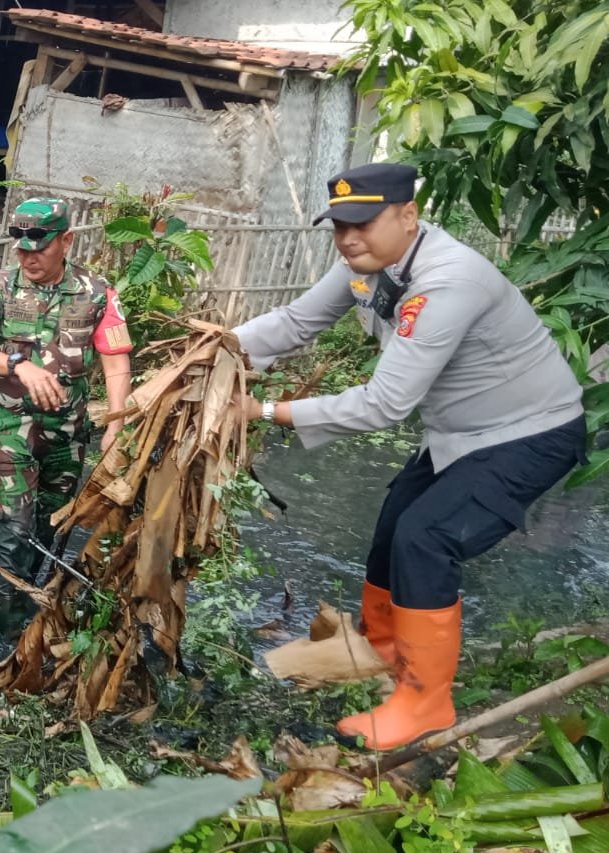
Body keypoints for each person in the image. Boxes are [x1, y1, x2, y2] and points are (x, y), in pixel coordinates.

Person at [234, 163, 586, 750]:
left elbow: (385, 404)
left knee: (426, 538)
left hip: (531, 433)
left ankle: (426, 702)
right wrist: (212, 348)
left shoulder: (447, 281)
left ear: (407, 216)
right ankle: (385, 650)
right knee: (396, 517)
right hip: (462, 431)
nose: (348, 239)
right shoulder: (368, 268)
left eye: (363, 223)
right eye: (339, 226)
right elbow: (296, 322)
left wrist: (267, 412)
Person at [0, 198, 134, 638]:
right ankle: (11, 632)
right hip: (6, 424)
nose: (29, 256)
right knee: (15, 525)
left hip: (66, 431)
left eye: (40, 246)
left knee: (49, 522)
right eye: (21, 247)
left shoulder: (96, 291)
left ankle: (27, 593)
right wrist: (19, 364)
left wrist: (116, 424)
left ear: (67, 240)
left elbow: (116, 361)